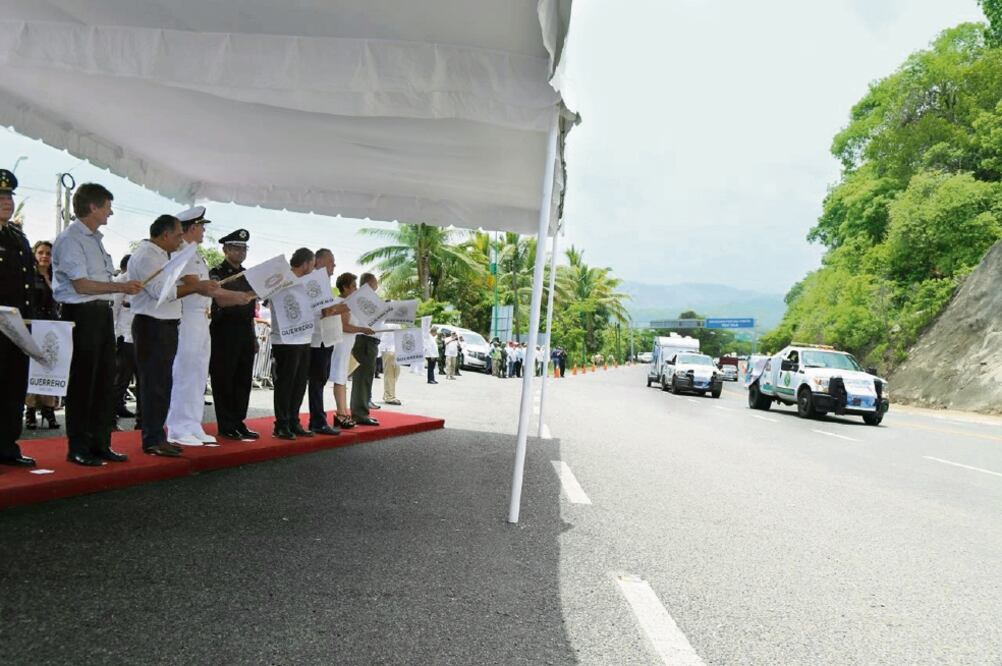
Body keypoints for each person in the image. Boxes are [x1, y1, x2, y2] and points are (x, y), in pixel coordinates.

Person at [52, 183, 143, 466]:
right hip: (82, 314)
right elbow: (81, 285)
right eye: (107, 207)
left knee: (104, 380)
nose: (110, 213)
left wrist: (119, 287)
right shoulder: (71, 239)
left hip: (101, 314)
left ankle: (101, 443)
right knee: (84, 382)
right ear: (93, 207)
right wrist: (121, 286)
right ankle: (79, 447)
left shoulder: (94, 240)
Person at [128, 214, 217, 456]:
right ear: (165, 234)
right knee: (154, 384)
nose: (181, 241)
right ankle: (152, 439)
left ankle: (158, 436)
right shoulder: (146, 255)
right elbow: (160, 292)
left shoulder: (162, 254)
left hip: (165, 324)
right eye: (178, 236)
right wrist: (197, 286)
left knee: (163, 383)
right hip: (151, 323)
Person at [165, 207, 253, 446]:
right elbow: (201, 287)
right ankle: (177, 428)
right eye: (202, 226)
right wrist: (237, 297)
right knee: (185, 375)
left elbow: (207, 287)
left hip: (202, 320)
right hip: (189, 319)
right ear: (192, 227)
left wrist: (237, 296)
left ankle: (192, 424)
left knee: (198, 375)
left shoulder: (194, 254)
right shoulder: (182, 253)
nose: (204, 231)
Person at [0, 168, 37, 468]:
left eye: (10, 196)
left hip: (17, 327)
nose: (7, 201)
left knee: (13, 387)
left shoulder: (17, 237)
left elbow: (28, 284)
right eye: (1, 196)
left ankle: (7, 447)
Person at [209, 229, 260, 441]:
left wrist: (253, 336)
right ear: (226, 249)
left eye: (244, 249)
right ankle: (226, 424)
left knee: (243, 380)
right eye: (236, 248)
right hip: (224, 331)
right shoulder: (217, 273)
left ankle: (239, 421)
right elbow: (219, 299)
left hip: (245, 331)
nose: (241, 252)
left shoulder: (248, 275)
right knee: (224, 379)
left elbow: (251, 310)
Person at [270, 248, 316, 440]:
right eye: (312, 264)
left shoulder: (307, 283)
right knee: (285, 383)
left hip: (304, 338)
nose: (313, 268)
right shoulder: (281, 279)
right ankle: (281, 424)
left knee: (299, 383)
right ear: (305, 263)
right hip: (285, 339)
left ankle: (294, 421)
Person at [329, 272, 374, 428]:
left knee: (342, 378)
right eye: (353, 286)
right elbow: (344, 326)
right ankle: (341, 413)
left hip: (347, 344)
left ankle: (343, 411)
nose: (356, 289)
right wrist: (362, 329)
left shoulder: (349, 303)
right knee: (340, 377)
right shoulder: (341, 303)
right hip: (340, 344)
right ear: (345, 287)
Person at [24, 240, 60, 430]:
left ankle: (49, 410)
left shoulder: (57, 276)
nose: (44, 256)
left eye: (48, 253)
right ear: (34, 254)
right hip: (32, 326)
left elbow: (60, 298)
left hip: (53, 326)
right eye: (41, 252)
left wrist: (49, 281)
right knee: (32, 370)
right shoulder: (27, 275)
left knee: (50, 369)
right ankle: (30, 411)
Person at [307, 248, 342, 436]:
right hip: (315, 338)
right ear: (318, 262)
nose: (333, 266)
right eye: (331, 262)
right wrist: (343, 306)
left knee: (320, 380)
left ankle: (317, 420)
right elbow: (322, 311)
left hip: (325, 338)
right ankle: (317, 421)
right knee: (316, 380)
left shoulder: (325, 283)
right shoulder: (313, 281)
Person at [349, 272, 382, 426]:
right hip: (365, 341)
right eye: (375, 282)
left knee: (366, 377)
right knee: (362, 378)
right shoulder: (362, 298)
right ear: (369, 283)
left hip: (369, 341)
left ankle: (362, 411)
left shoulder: (368, 298)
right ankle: (359, 413)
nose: (377, 285)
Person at [112, 255, 140, 429]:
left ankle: (142, 420)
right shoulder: (122, 280)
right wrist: (115, 336)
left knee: (142, 379)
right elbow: (114, 309)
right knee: (122, 378)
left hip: (142, 337)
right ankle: (111, 416)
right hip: (125, 336)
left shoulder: (147, 278)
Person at [379, 324, 401, 406]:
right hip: (387, 348)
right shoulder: (385, 321)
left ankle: (388, 394)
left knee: (396, 372)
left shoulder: (398, 321)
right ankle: (389, 397)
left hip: (396, 349)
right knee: (389, 373)